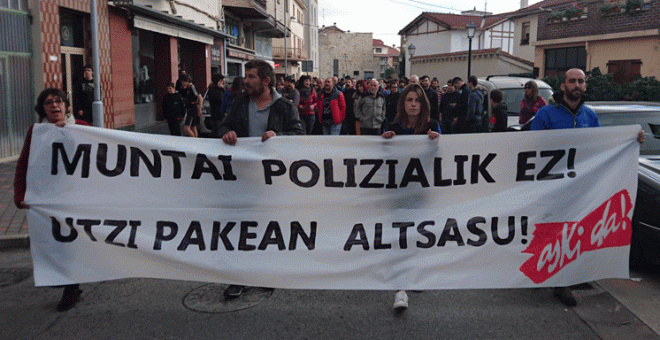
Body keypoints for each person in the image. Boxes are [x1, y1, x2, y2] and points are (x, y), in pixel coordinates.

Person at [530, 68, 645, 306]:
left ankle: (568, 277)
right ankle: (556, 279)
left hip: (582, 187)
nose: (576, 85)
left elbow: (605, 146)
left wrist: (632, 139)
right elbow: (532, 149)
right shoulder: (546, 114)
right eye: (571, 81)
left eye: (580, 81)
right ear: (563, 86)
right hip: (554, 187)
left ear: (584, 86)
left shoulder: (590, 116)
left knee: (575, 231)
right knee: (554, 231)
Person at [14, 88, 90, 312]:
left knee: (73, 243)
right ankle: (69, 282)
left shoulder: (83, 128)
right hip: (49, 199)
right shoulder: (36, 133)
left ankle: (71, 288)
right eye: (49, 103)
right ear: (43, 109)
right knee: (58, 242)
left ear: (66, 106)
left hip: (77, 197)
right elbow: (23, 165)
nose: (55, 106)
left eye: (58, 102)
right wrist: (20, 195)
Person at [381, 83, 441, 311]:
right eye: (409, 100)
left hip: (422, 191)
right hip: (398, 191)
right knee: (400, 237)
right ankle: (401, 288)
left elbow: (445, 157)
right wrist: (385, 141)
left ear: (423, 103)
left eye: (417, 100)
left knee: (418, 236)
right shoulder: (394, 127)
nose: (413, 104)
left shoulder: (433, 126)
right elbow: (383, 159)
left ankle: (414, 275)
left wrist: (437, 141)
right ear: (403, 103)